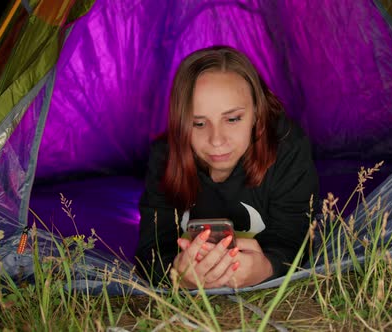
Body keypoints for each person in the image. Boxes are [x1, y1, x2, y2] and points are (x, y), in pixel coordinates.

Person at [135, 45, 319, 289]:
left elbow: (298, 239)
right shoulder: (166, 156)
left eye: (232, 119)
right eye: (198, 123)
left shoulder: (287, 148)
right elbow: (150, 251)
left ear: (257, 113)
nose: (217, 140)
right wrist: (177, 274)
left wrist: (267, 268)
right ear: (180, 123)